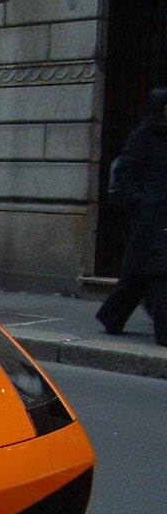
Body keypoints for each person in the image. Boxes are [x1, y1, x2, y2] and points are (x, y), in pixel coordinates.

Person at [97, 86, 167, 346]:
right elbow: (124, 172)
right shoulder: (142, 136)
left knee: (137, 275)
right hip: (150, 214)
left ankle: (111, 316)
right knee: (161, 271)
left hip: (160, 213)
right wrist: (142, 201)